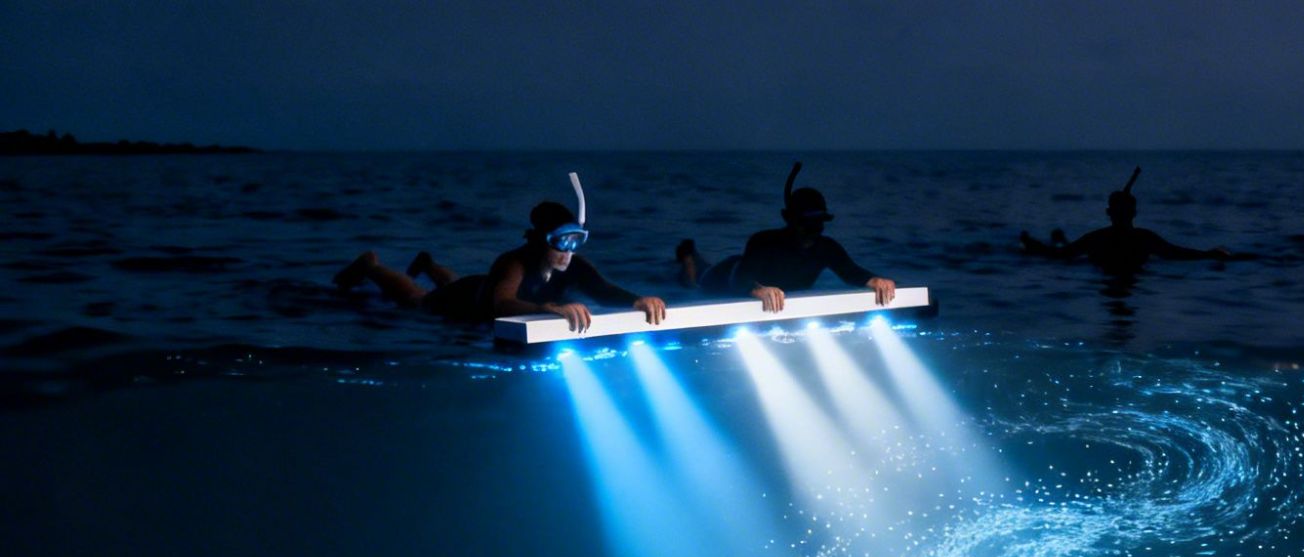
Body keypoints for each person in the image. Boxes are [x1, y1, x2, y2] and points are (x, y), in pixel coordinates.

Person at [335, 178, 665, 331]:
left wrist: (637, 301)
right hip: (468, 299)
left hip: (478, 285)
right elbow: (501, 303)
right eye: (560, 243)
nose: (568, 252)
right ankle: (371, 266)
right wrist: (547, 309)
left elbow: (603, 290)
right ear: (541, 241)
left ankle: (428, 264)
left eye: (576, 242)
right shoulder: (514, 263)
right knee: (416, 299)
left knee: (452, 282)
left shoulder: (573, 265)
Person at [676, 163, 895, 312]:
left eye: (818, 223)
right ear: (789, 219)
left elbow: (851, 272)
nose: (812, 230)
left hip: (751, 272)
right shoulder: (764, 242)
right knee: (695, 280)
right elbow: (739, 280)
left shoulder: (826, 248)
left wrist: (875, 280)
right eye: (805, 223)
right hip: (725, 275)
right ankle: (688, 256)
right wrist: (758, 289)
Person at [1020, 168, 1236, 275]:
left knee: (1058, 247)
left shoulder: (1142, 239)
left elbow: (1176, 253)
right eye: (1120, 211)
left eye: (1126, 211)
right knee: (1057, 247)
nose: (1123, 215)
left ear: (1133, 213)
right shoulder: (1100, 239)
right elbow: (1060, 256)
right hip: (1108, 277)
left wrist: (1208, 254)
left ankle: (1054, 238)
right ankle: (1052, 239)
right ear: (1110, 213)